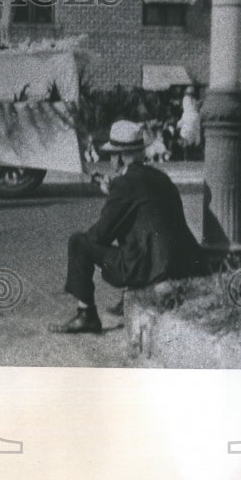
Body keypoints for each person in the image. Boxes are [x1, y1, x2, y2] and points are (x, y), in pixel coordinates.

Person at [55, 120, 205, 333]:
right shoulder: (161, 178)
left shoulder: (124, 185)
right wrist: (115, 191)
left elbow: (100, 235)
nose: (111, 161)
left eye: (111, 156)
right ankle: (127, 295)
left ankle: (86, 313)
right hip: (182, 263)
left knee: (79, 242)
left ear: (118, 157)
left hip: (152, 269)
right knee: (138, 233)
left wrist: (113, 196)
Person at [177, 85, 202, 157]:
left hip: (191, 117)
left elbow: (193, 109)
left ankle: (188, 154)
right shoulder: (187, 99)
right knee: (186, 135)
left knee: (187, 135)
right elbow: (190, 109)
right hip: (190, 117)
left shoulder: (191, 99)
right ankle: (187, 154)